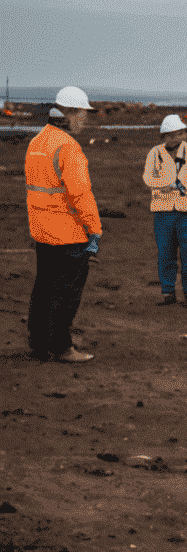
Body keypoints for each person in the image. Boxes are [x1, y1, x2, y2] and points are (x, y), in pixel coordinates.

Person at [25, 87, 100, 363]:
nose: (85, 120)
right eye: (83, 114)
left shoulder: (37, 142)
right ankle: (60, 346)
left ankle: (39, 341)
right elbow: (80, 194)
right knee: (67, 293)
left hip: (42, 231)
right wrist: (94, 229)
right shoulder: (68, 146)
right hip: (68, 233)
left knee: (44, 287)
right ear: (70, 113)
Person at [144, 113, 187, 307]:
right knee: (166, 253)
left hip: (186, 212)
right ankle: (168, 293)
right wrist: (164, 184)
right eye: (172, 134)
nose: (177, 138)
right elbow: (148, 178)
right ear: (164, 136)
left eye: (180, 134)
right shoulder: (155, 153)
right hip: (163, 212)